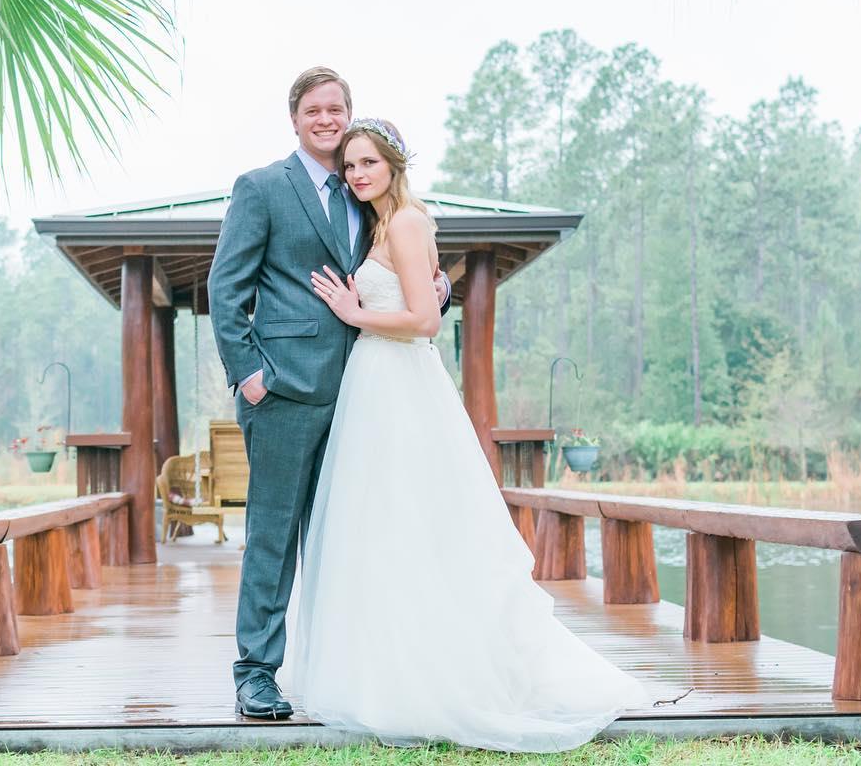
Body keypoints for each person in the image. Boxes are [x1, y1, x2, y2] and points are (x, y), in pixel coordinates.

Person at [288, 117, 650, 752]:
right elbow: (424, 293)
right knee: (383, 527)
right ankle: (385, 668)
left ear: (394, 164)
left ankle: (432, 677)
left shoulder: (405, 221)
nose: (357, 174)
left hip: (398, 381)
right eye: (350, 167)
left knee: (411, 518)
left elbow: (425, 320)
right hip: (374, 383)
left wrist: (354, 312)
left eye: (368, 162)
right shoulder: (384, 222)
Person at [207, 69, 451, 720]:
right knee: (273, 536)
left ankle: (353, 671)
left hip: (362, 397)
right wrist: (250, 375)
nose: (325, 118)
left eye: (336, 108)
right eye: (313, 109)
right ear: (294, 119)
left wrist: (437, 290)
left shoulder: (364, 195)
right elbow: (224, 291)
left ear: (350, 116)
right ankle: (256, 674)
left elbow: (410, 269)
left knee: (352, 537)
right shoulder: (261, 188)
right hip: (284, 394)